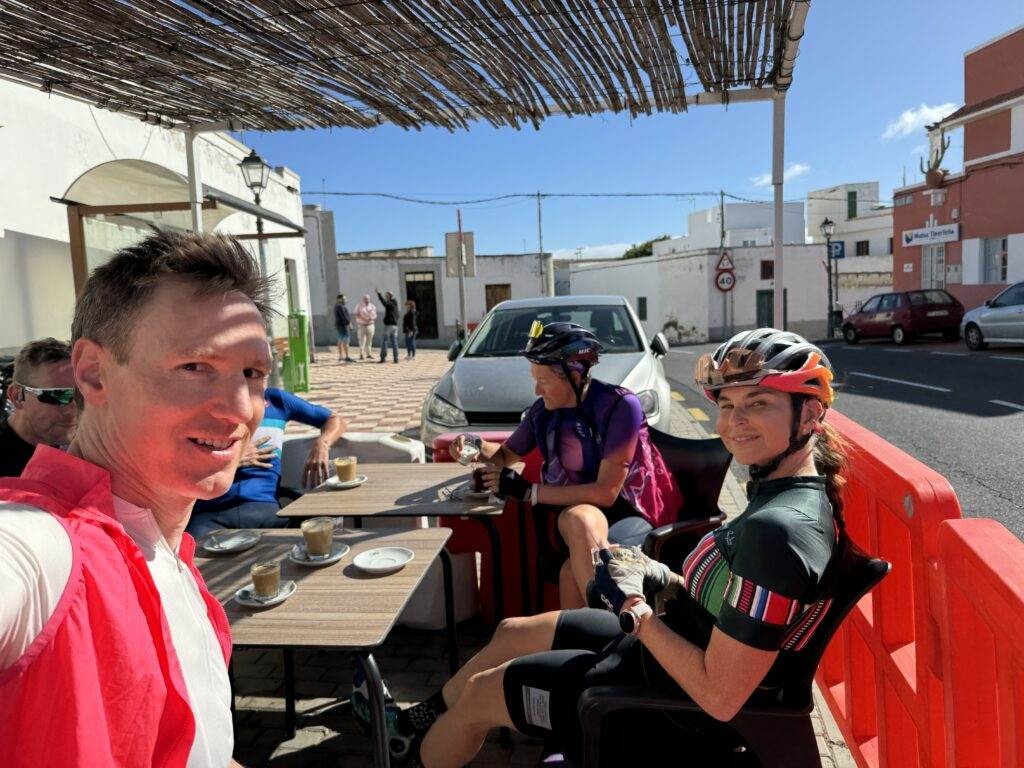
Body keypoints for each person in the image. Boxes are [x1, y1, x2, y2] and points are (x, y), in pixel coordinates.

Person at [400, 328, 846, 767]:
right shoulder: (784, 496)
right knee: (513, 632)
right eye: (727, 405)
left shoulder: (779, 531)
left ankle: (414, 750)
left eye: (759, 404)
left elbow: (719, 696)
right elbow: (726, 599)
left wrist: (637, 607)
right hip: (667, 647)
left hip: (662, 706)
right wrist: (664, 578)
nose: (733, 422)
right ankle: (422, 719)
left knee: (483, 693)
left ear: (809, 415)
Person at [0, 231, 271, 767]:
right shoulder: (44, 547)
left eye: (252, 373)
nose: (240, 407)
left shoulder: (169, 556)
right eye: (194, 367)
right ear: (93, 373)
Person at [450, 321, 681, 608]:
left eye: (544, 382)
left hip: (627, 512)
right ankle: (614, 628)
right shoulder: (542, 413)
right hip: (572, 516)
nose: (536, 390)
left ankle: (587, 640)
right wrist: (473, 444)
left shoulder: (620, 406)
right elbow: (505, 456)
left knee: (570, 572)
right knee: (580, 519)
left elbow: (606, 493)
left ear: (574, 375)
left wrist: (529, 492)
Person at [187, 387, 347, 538]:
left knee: (321, 532)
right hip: (211, 513)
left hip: (265, 509)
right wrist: (232, 459)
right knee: (189, 559)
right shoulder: (205, 403)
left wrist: (322, 444)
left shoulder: (276, 400)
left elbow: (334, 419)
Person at [0, 338, 77, 477]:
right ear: (17, 396)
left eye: (80, 395)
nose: (72, 409)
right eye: (57, 395)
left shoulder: (84, 447)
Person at [377, 288, 400, 364]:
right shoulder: (395, 304)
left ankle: (383, 358)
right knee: (394, 342)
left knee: (384, 341)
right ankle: (396, 358)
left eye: (386, 295)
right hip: (395, 326)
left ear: (389, 296)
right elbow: (398, 316)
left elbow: (384, 303)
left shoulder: (390, 304)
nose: (386, 297)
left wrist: (379, 294)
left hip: (389, 326)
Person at [355, 294, 377, 360]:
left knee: (369, 341)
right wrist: (364, 318)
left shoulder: (372, 306)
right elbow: (356, 314)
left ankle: (369, 354)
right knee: (362, 341)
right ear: (363, 299)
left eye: (367, 299)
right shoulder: (359, 306)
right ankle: (361, 354)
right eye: (365, 299)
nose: (366, 300)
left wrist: (372, 318)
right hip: (362, 326)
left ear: (369, 299)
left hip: (370, 325)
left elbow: (375, 315)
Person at [335, 293, 354, 363]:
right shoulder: (340, 306)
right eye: (343, 299)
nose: (345, 300)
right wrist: (350, 324)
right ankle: (347, 356)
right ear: (339, 299)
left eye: (345, 299)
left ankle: (341, 356)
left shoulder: (337, 306)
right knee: (345, 341)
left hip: (339, 325)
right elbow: (344, 317)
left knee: (340, 340)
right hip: (343, 326)